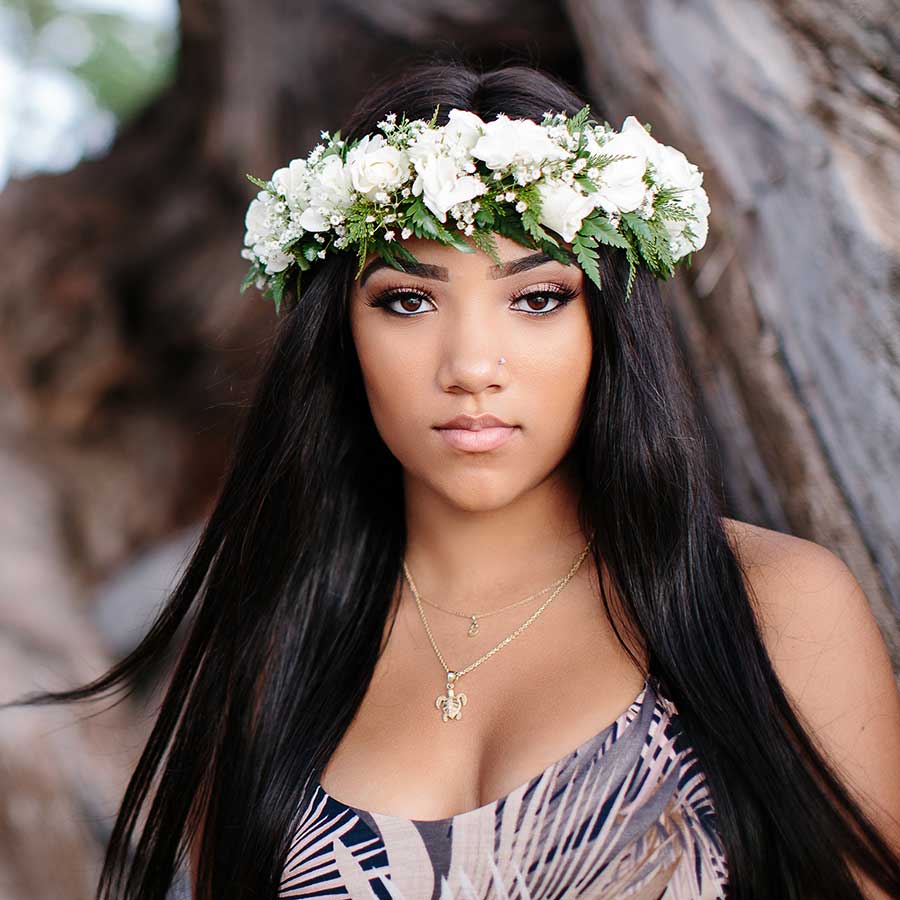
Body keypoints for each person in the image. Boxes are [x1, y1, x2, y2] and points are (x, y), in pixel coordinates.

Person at [6, 61, 900, 900]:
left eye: (537, 298)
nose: (473, 364)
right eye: (409, 300)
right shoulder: (274, 649)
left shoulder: (770, 609)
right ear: (342, 336)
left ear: (607, 328)